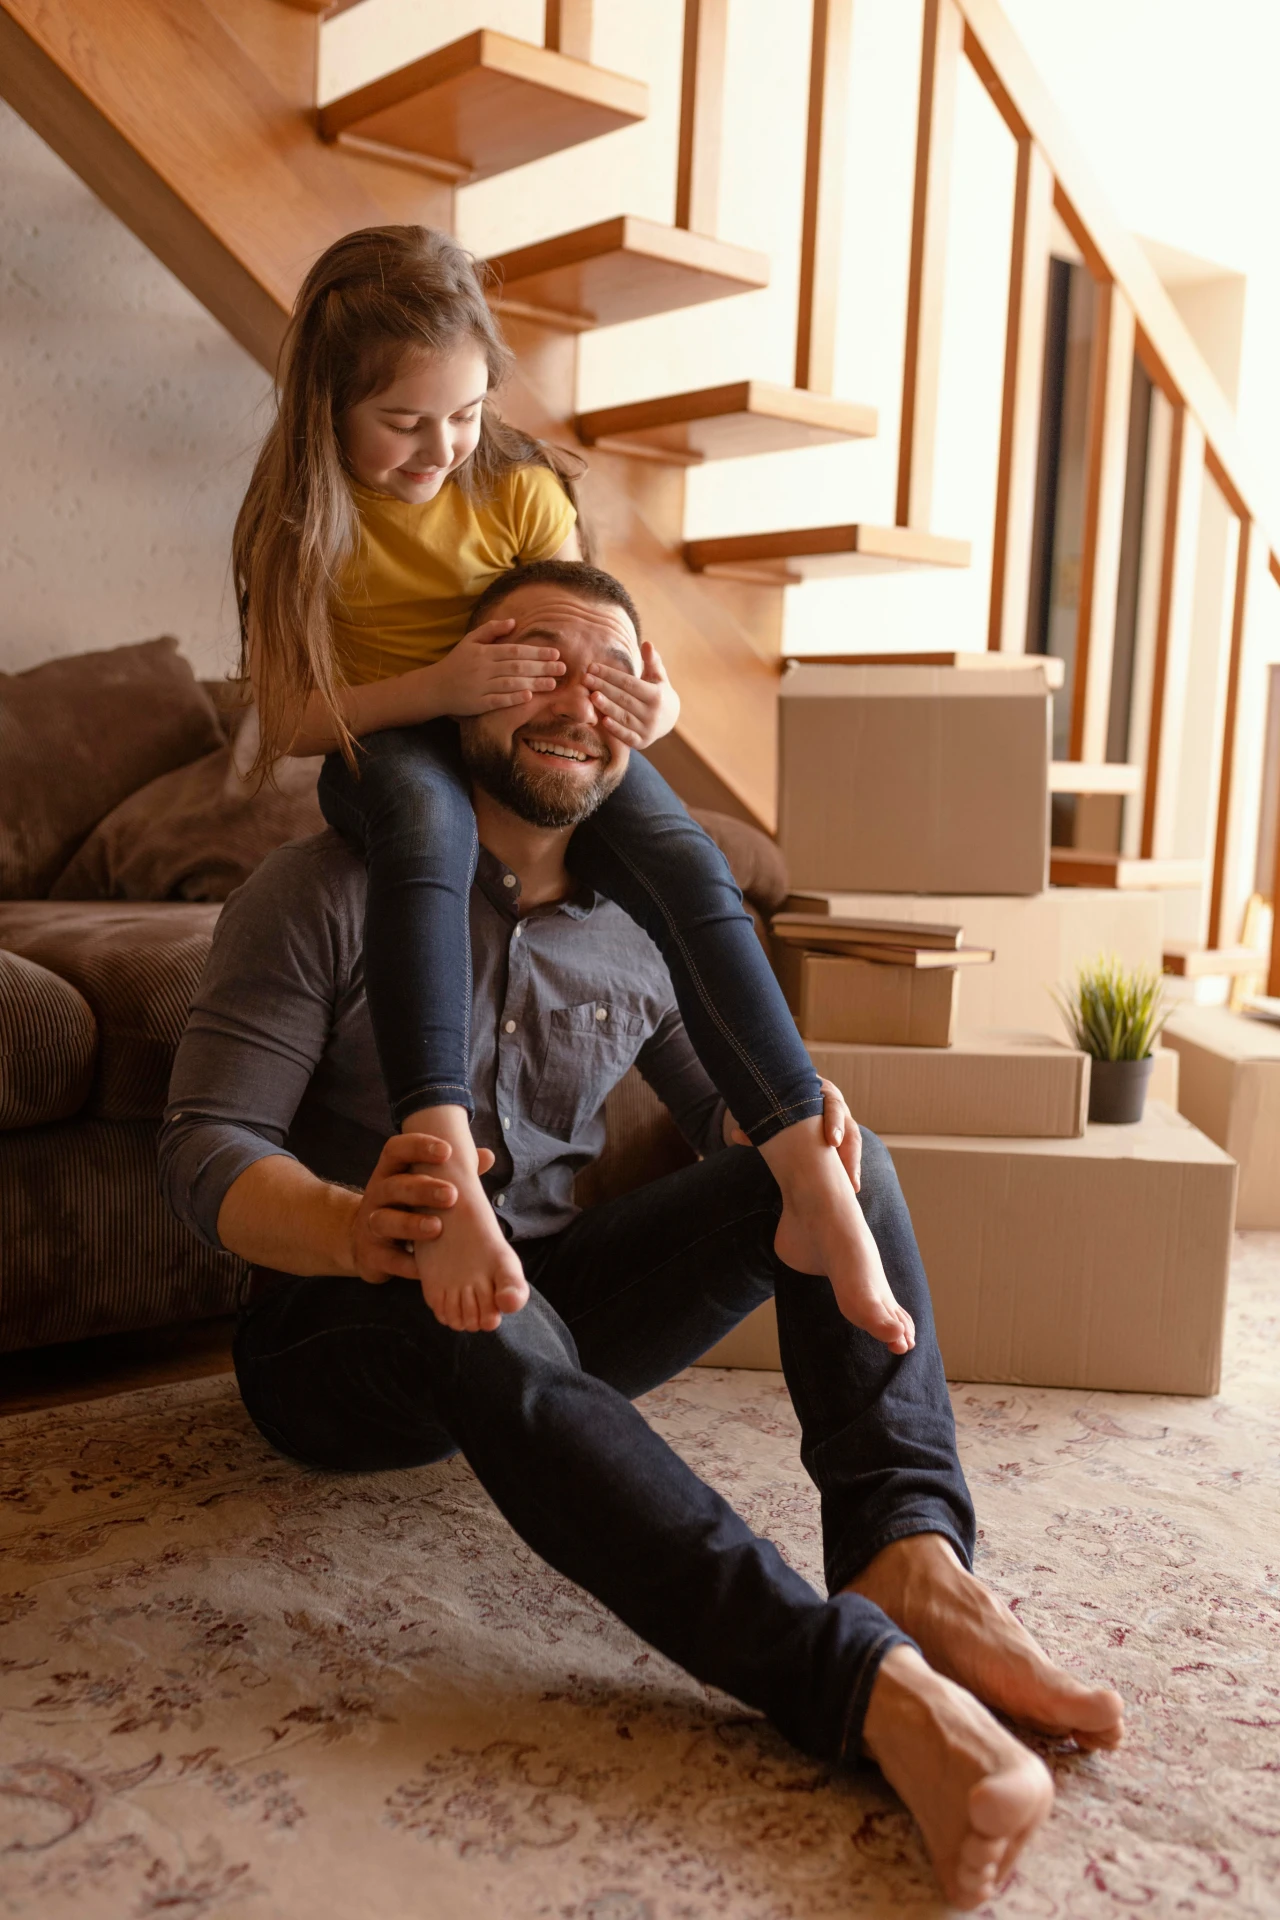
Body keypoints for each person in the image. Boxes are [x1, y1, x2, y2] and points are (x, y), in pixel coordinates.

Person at [161, 561, 1126, 1912]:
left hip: (550, 1304)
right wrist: (352, 1223)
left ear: (649, 710)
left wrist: (784, 1132)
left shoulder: (641, 930)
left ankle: (910, 1551)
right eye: (531, 657)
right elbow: (204, 1146)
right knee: (453, 1249)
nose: (575, 694)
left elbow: (731, 1122)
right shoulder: (318, 889)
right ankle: (860, 1688)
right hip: (334, 1337)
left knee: (841, 1161)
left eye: (609, 667)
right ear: (460, 695)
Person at [231, 225, 910, 1354]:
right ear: (325, 406)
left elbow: (593, 643)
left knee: (689, 854)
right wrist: (441, 683)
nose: (438, 447)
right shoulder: (302, 521)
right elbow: (292, 716)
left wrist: (663, 712)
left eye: (462, 412)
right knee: (424, 828)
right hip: (391, 734)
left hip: (512, 726)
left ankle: (802, 1156)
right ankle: (442, 1155)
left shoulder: (516, 487)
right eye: (402, 422)